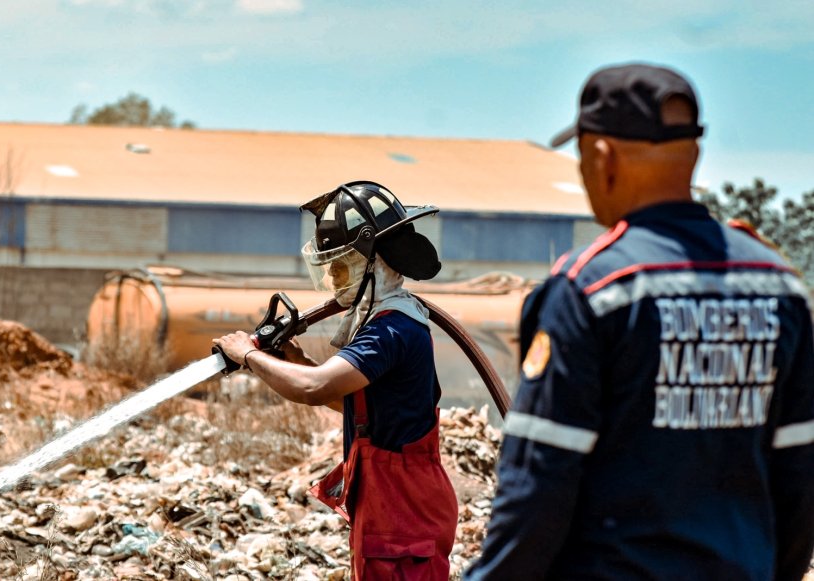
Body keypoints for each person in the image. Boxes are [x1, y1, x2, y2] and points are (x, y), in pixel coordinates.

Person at [465, 63, 814, 580]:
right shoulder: (780, 287)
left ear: (600, 157)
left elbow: (541, 481)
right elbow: (800, 475)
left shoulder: (592, 289)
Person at [213, 181, 458, 580]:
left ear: (373, 261)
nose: (334, 276)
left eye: (342, 265)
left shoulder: (391, 331)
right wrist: (299, 360)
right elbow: (355, 405)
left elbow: (315, 389)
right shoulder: (383, 323)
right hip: (392, 509)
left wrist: (249, 355)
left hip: (404, 515)